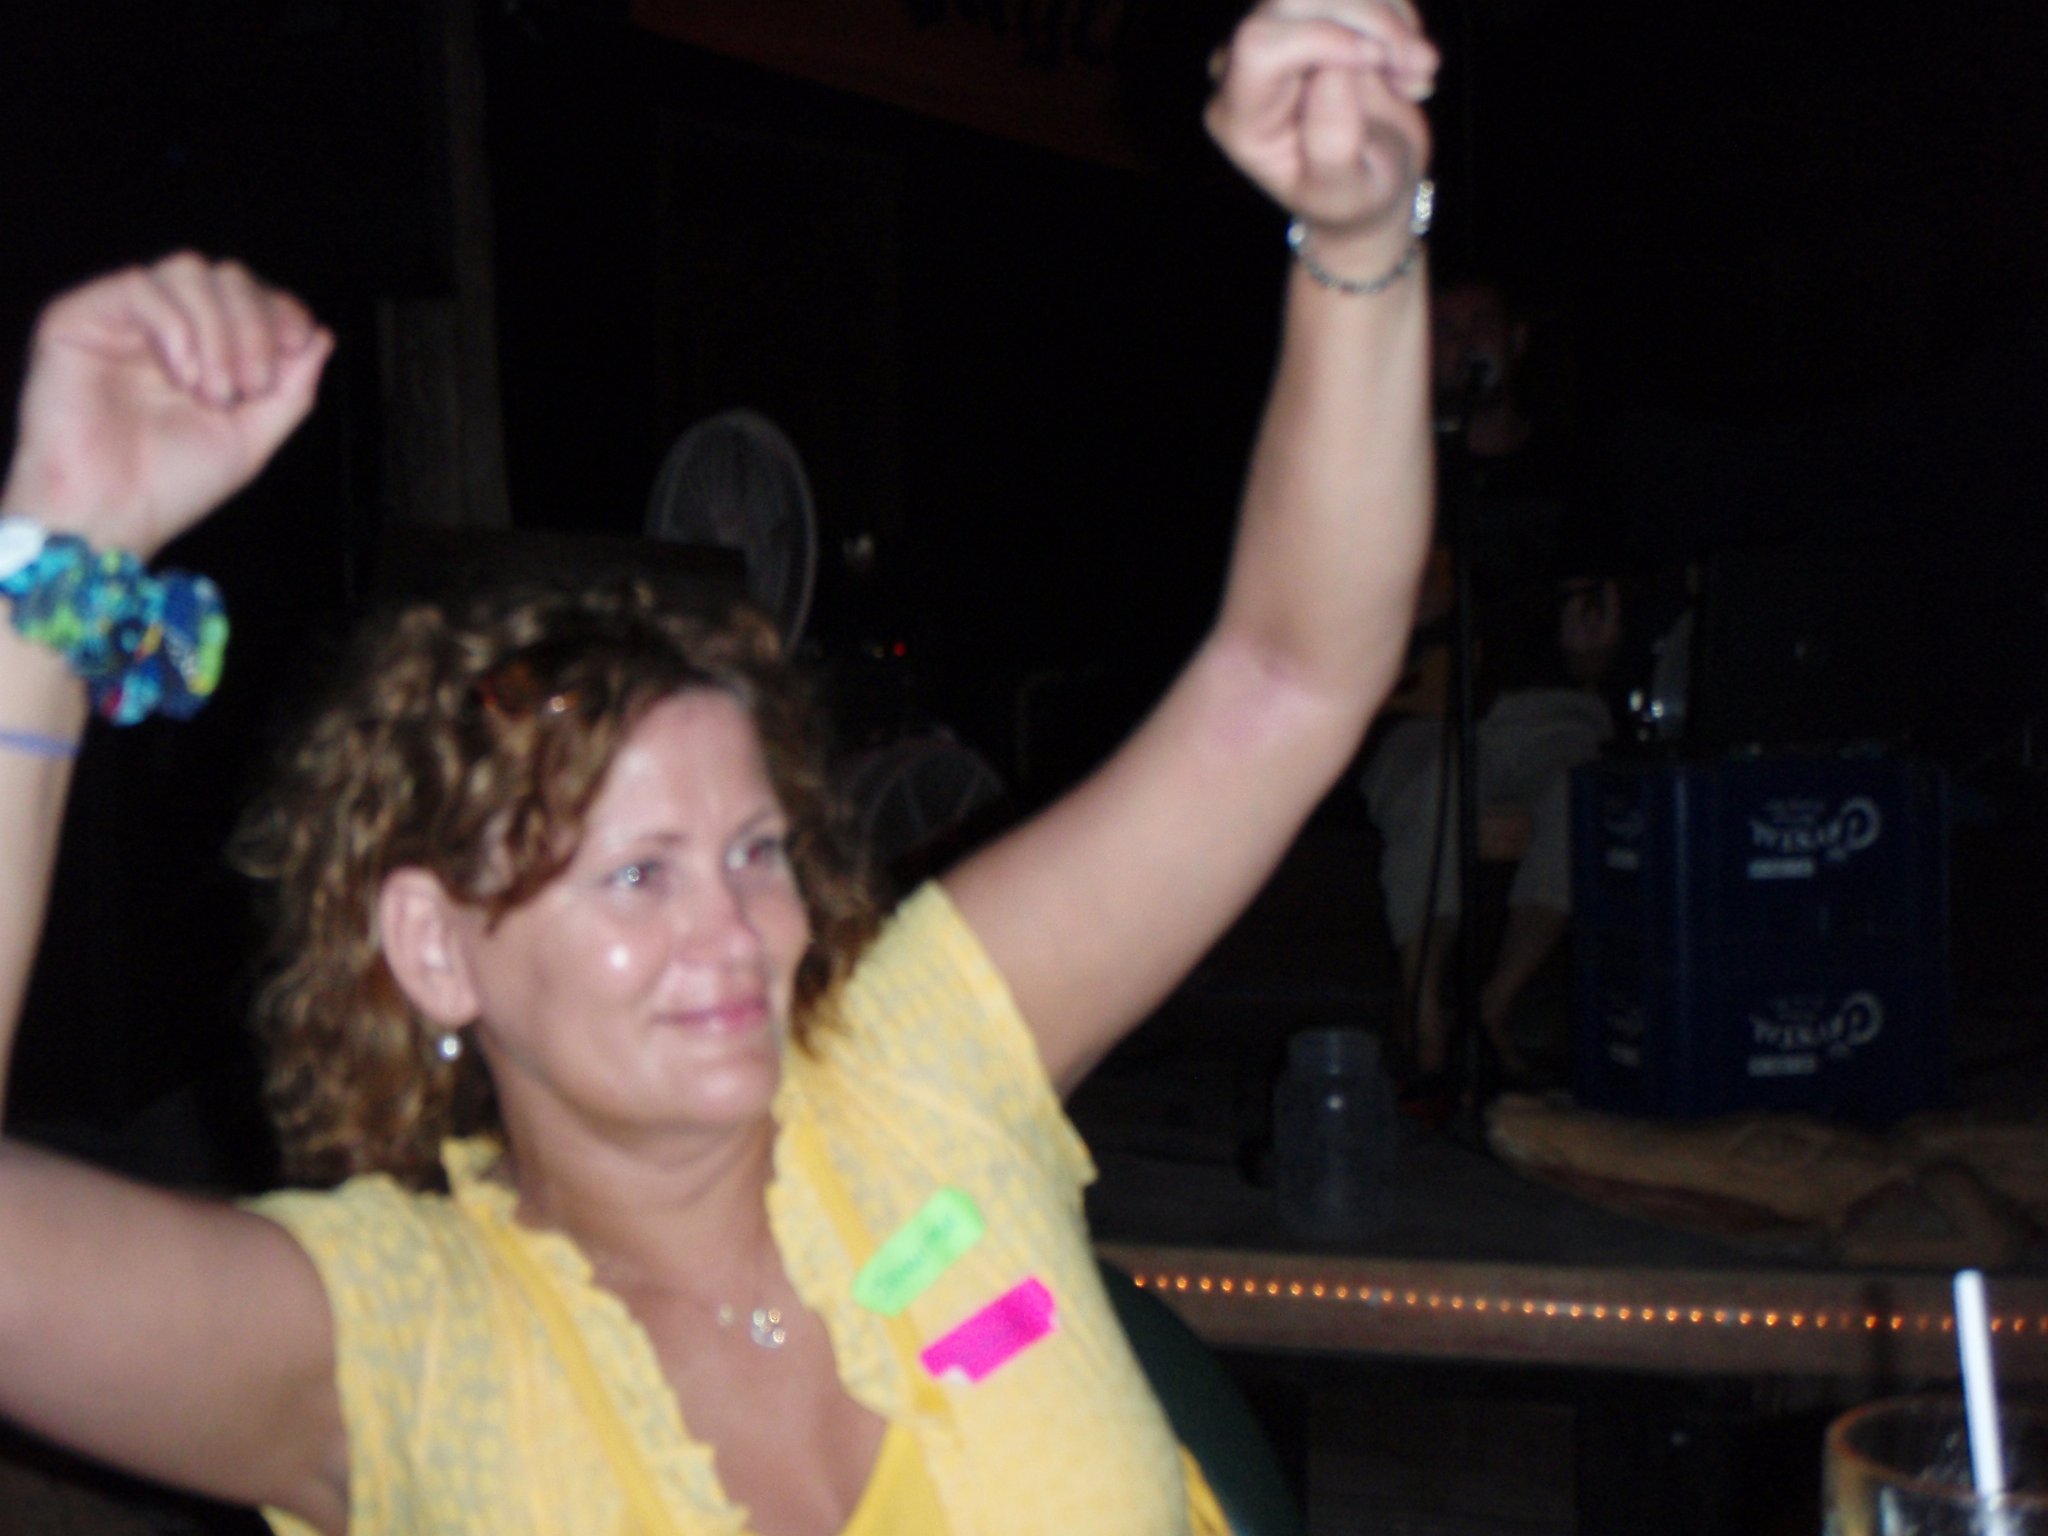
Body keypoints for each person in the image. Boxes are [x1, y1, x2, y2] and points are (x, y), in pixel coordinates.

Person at [0, 4, 1436, 1532]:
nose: (732, 928)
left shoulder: (918, 1074)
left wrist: (1361, 238)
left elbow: (1286, 683)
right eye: (637, 872)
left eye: (755, 851)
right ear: (433, 944)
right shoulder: (408, 1347)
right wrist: (56, 556)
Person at [1361, 276, 1621, 1085]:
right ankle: (1424, 1005)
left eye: (1480, 324)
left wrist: (1593, 653)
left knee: (1586, 791)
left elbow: (1595, 634)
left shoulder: (1570, 470)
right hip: (1423, 710)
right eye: (1442, 330)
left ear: (1516, 341)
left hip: (1544, 707)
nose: (1463, 343)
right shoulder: (1387, 464)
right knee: (1427, 785)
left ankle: (1498, 1002)